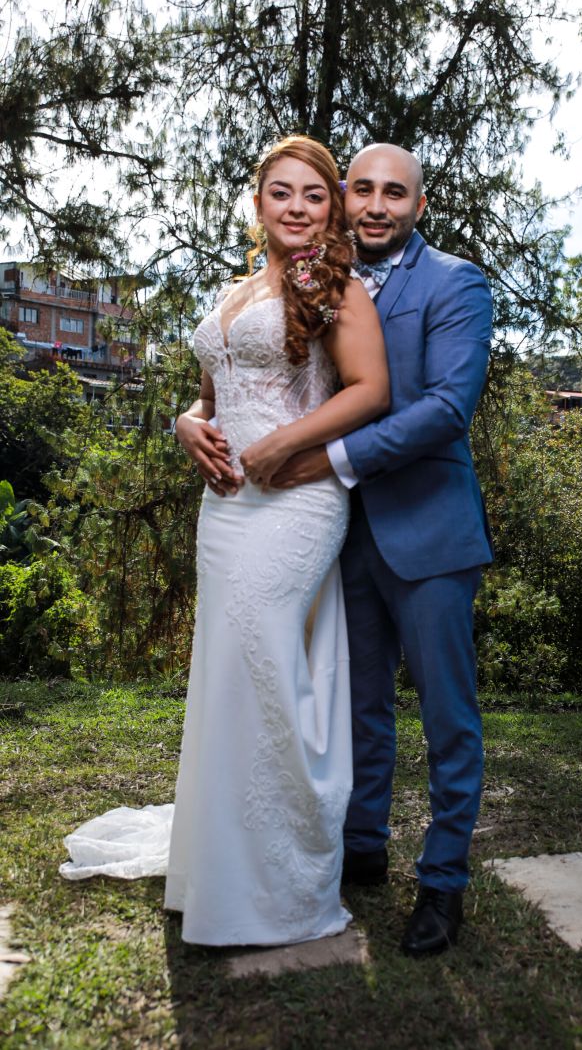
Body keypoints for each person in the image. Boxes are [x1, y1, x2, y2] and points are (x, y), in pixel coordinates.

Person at [60, 135, 389, 948]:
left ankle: (280, 871)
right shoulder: (238, 290)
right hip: (225, 510)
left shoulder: (336, 286)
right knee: (226, 668)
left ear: (332, 207)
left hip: (296, 500)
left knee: (266, 662)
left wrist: (284, 443)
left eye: (315, 195)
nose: (298, 208)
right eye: (283, 193)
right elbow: (211, 396)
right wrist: (183, 425)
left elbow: (372, 391)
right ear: (259, 202)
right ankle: (217, 861)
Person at [268, 144, 494, 958]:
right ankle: (363, 846)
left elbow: (445, 408)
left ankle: (442, 882)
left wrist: (329, 458)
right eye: (360, 188)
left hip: (429, 531)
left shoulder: (456, 283)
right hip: (339, 531)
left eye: (393, 192)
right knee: (356, 705)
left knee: (446, 717)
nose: (374, 205)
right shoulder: (317, 282)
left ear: (419, 205)